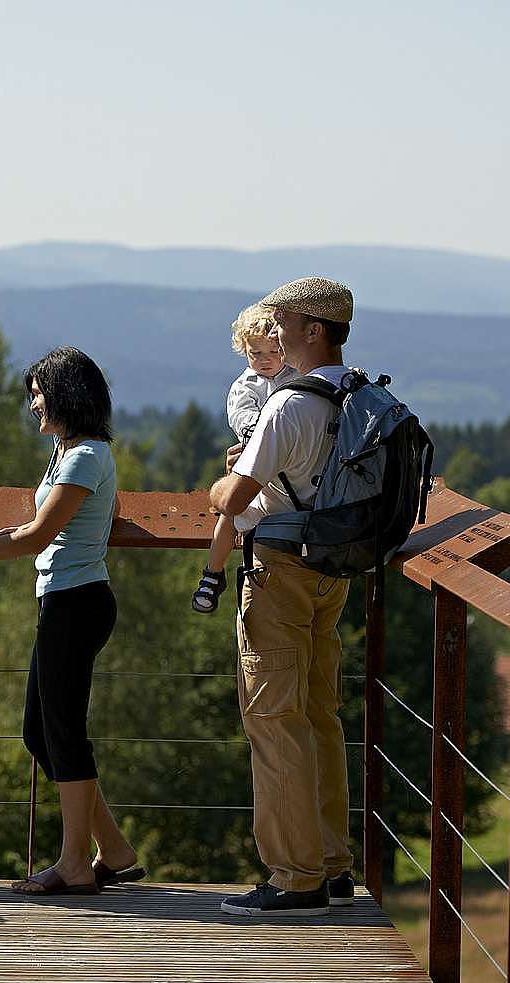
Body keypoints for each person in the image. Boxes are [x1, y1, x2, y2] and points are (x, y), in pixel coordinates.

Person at [0, 346, 143, 895]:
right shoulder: (74, 454)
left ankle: (74, 865)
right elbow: (98, 514)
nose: (34, 404)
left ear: (67, 395)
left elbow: (38, 535)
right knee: (40, 733)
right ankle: (112, 849)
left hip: (76, 602)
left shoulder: (84, 456)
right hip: (70, 600)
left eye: (39, 394)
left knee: (61, 733)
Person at [207, 277, 358, 917]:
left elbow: (235, 499)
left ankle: (294, 877)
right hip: (334, 569)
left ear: (314, 331)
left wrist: (219, 484)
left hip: (278, 572)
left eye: (288, 321)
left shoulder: (287, 407)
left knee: (274, 719)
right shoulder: (357, 395)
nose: (278, 330)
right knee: (320, 715)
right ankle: (331, 861)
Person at [192, 302, 301, 614]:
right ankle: (213, 572)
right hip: (256, 463)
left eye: (272, 351)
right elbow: (243, 418)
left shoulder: (297, 375)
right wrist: (260, 434)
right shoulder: (245, 386)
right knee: (230, 511)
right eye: (256, 354)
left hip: (287, 470)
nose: (265, 360)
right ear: (244, 351)